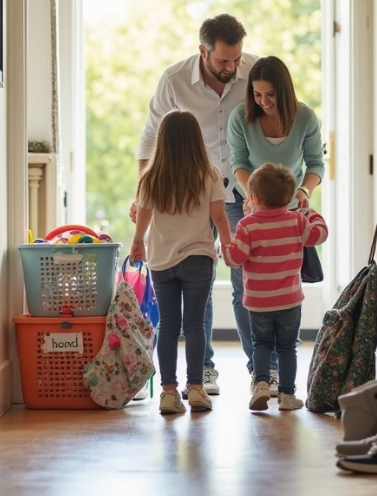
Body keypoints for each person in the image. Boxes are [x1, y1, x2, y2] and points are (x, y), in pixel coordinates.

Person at [132, 13, 262, 397]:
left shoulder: (254, 71)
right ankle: (201, 371)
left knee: (246, 281)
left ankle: (261, 370)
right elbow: (150, 138)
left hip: (241, 191)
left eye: (236, 59)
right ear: (202, 51)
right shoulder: (174, 81)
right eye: (223, 60)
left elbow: (275, 118)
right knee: (197, 281)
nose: (231, 67)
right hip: (191, 191)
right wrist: (142, 193)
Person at [227, 55, 325, 391]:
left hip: (289, 204)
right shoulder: (241, 117)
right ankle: (260, 371)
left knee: (284, 280)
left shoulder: (305, 117)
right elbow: (238, 162)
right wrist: (252, 196)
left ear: (284, 91)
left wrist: (303, 191)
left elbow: (315, 164)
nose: (264, 102)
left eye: (270, 95)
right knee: (244, 285)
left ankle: (280, 369)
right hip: (247, 201)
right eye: (257, 95)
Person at [131, 110, 233, 415]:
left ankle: (168, 392)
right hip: (198, 258)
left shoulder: (151, 176)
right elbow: (218, 216)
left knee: (168, 325)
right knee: (195, 324)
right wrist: (228, 244)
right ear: (195, 140)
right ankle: (196, 388)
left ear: (162, 141)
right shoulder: (209, 174)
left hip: (162, 261)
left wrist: (137, 242)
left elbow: (144, 215)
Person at [222, 163, 328, 411]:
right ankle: (287, 395)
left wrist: (224, 249)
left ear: (254, 198)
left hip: (258, 301)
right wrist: (311, 213)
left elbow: (234, 259)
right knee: (287, 347)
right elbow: (320, 235)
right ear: (288, 198)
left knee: (261, 344)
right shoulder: (296, 221)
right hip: (289, 300)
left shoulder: (247, 225)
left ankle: (261, 384)